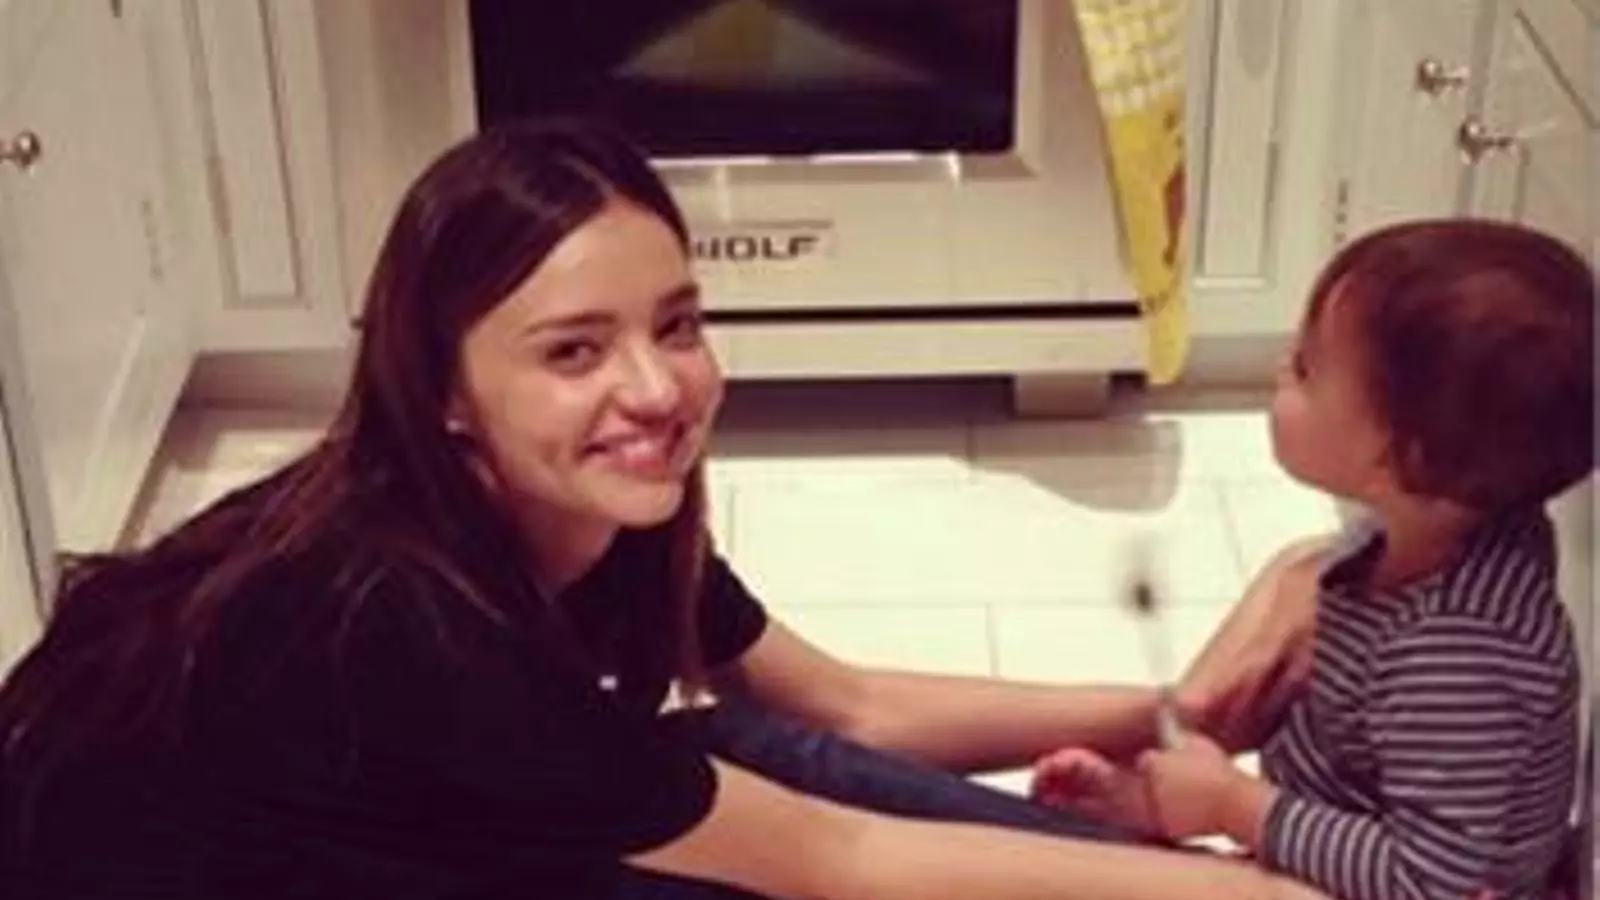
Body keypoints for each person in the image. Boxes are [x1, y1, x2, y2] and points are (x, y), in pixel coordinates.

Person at [0, 119, 1322, 900]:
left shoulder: (587, 514)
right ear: (444, 388)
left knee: (747, 747)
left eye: (676, 325)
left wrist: (1175, 714)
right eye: (574, 350)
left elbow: (850, 709)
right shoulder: (405, 624)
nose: (655, 388)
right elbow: (840, 863)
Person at [1033, 219, 1595, 900]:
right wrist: (1164, 801)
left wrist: (1232, 806)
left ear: (1403, 459)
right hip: (1333, 838)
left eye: (1305, 367)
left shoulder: (1458, 650)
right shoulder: (1452, 519)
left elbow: (1428, 880)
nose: (1281, 366)